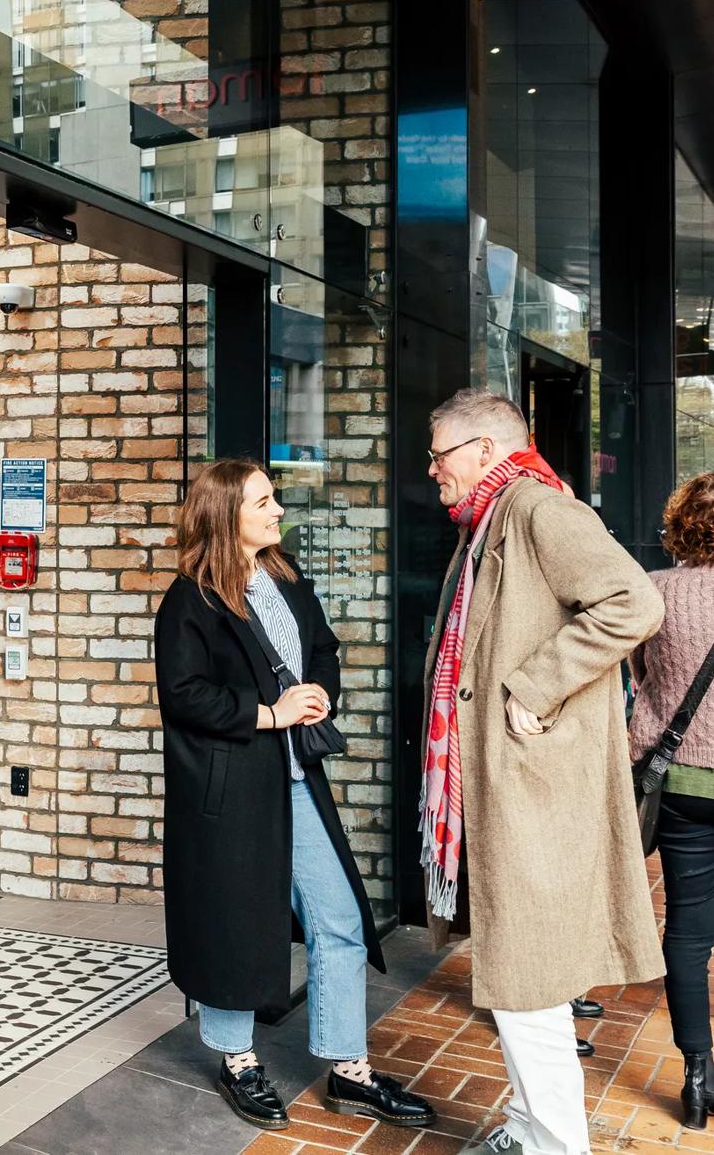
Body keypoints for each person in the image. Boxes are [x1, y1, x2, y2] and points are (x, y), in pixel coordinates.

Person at [155, 458, 435, 1131]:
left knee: (337, 917)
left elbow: (324, 650)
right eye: (263, 501)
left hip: (295, 782)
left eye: (274, 498)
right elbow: (184, 694)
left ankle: (349, 1070)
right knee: (234, 923)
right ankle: (237, 1060)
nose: (278, 510)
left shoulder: (285, 579)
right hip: (229, 793)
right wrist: (270, 714)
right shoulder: (189, 599)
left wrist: (317, 693)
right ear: (226, 515)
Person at [421, 390, 664, 1155]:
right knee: (522, 979)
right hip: (510, 787)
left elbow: (635, 601)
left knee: (526, 981)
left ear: (486, 449)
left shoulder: (536, 511)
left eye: (439, 455)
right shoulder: (493, 517)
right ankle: (530, 1129)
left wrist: (536, 685)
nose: (432, 472)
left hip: (532, 789)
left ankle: (555, 1145)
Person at [629, 472, 714, 1128]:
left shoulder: (654, 592)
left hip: (680, 784)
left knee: (688, 931)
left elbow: (642, 680)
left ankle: (696, 1077)